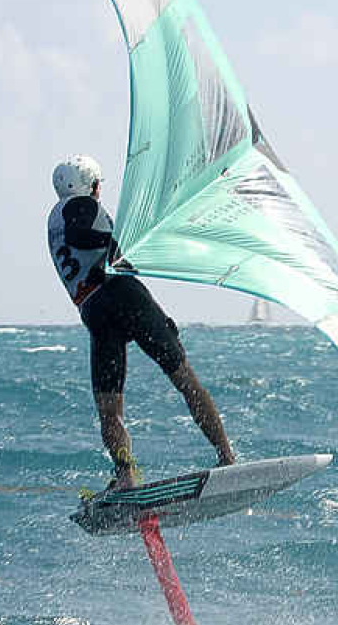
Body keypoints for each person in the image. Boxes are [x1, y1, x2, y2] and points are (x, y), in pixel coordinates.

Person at [47, 154, 236, 490]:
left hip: (94, 312)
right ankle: (227, 458)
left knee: (109, 409)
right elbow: (85, 237)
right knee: (186, 381)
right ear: (92, 186)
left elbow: (82, 244)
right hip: (120, 295)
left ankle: (125, 477)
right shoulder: (81, 207)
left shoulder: (53, 221)